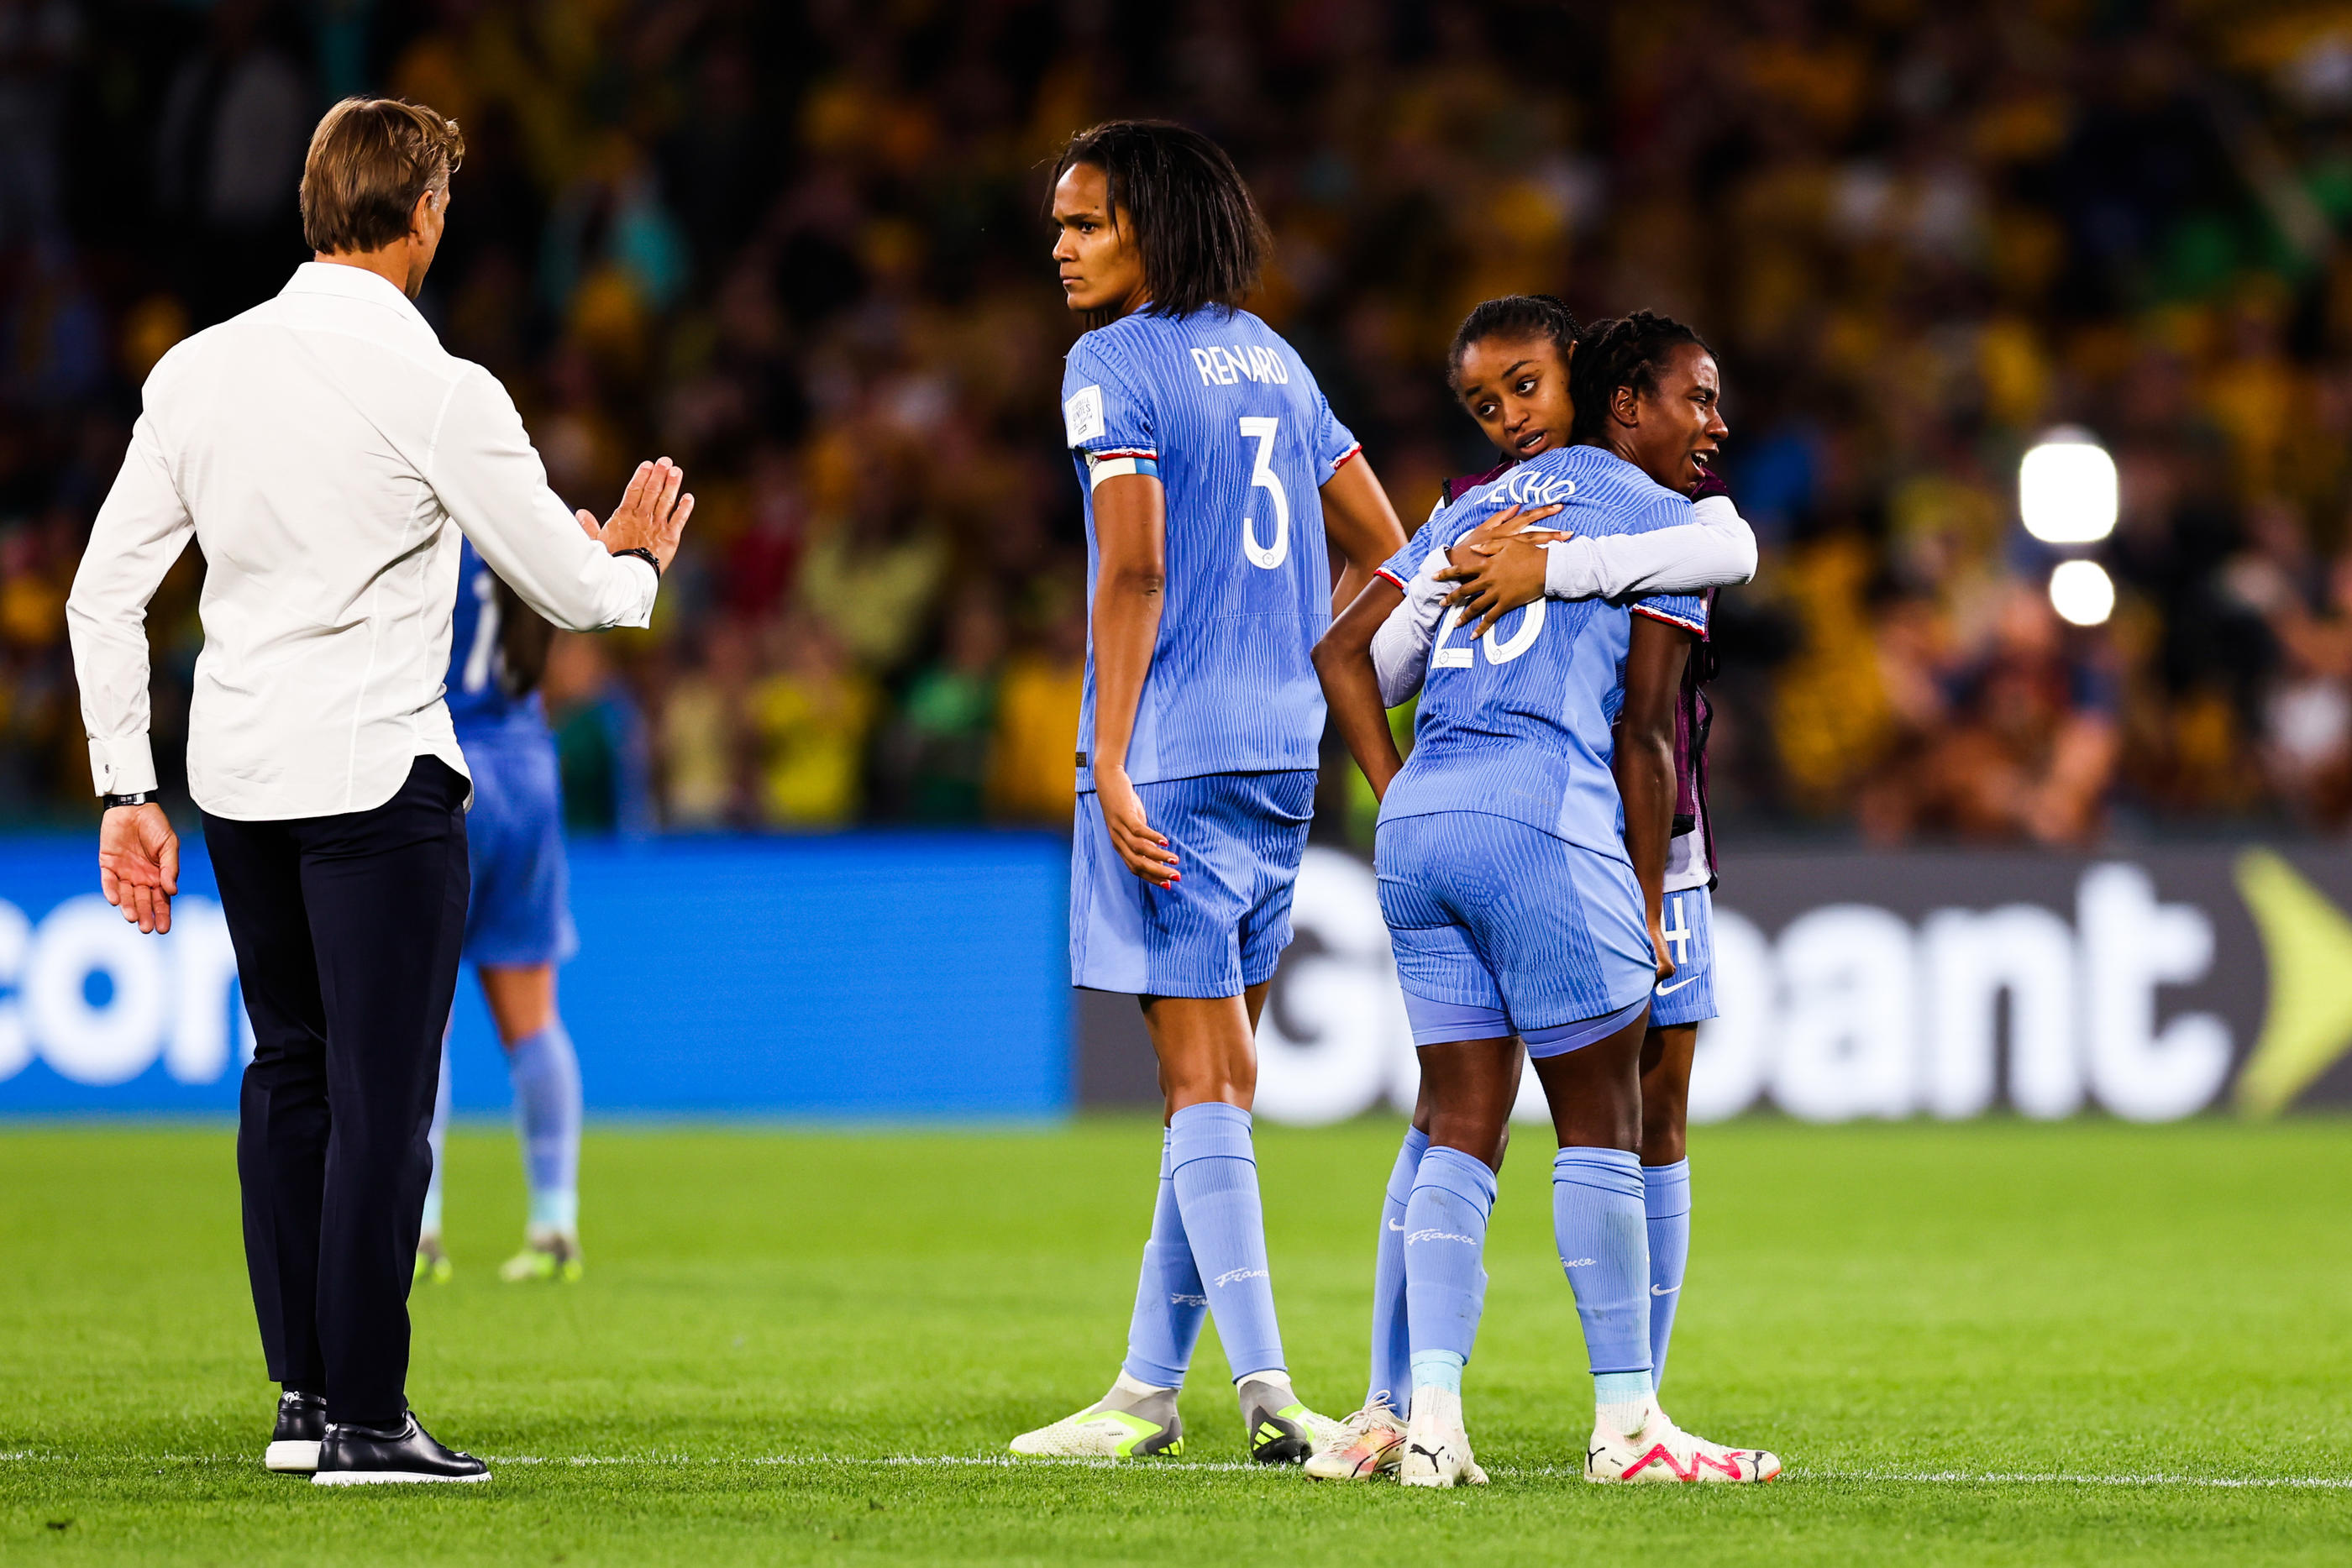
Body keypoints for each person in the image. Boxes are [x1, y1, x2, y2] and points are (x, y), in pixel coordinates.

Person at [64, 97, 692, 1485]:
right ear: (422, 218)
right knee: (381, 1092)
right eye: (444, 208)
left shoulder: (196, 372)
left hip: (235, 779)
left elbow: (102, 597)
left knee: (287, 1069)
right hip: (374, 780)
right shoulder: (441, 389)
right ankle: (367, 1415)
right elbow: (578, 590)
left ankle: (304, 1399)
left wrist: (126, 786)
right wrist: (640, 559)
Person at [1311, 311, 1777, 1486]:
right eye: (1489, 399)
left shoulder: (1469, 511)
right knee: (1608, 1119)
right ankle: (1629, 1423)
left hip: (1423, 824)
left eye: (1524, 385)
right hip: (1554, 816)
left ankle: (1423, 1416)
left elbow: (1360, 656)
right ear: (1628, 397)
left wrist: (1403, 783)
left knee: (1456, 1121)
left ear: (1580, 376)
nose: (1511, 413)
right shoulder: (1659, 512)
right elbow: (1708, 607)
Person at [1007, 120, 1409, 1464]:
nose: (1059, 246)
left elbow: (1132, 572)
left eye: (1086, 223)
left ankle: (1269, 1392)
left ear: (1152, 228)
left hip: (1170, 753)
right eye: (1058, 223)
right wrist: (1312, 650)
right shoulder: (1279, 363)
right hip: (1281, 755)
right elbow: (1395, 551)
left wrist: (1109, 755)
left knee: (1203, 1084)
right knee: (1215, 1083)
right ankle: (1142, 1390)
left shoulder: (1108, 364)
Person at [415, 538, 588, 1287]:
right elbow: (578, 662)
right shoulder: (520, 517)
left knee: (422, 1018)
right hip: (526, 769)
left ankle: (418, 1227)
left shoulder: (420, 522)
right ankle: (555, 1220)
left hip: (444, 763)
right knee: (534, 1018)